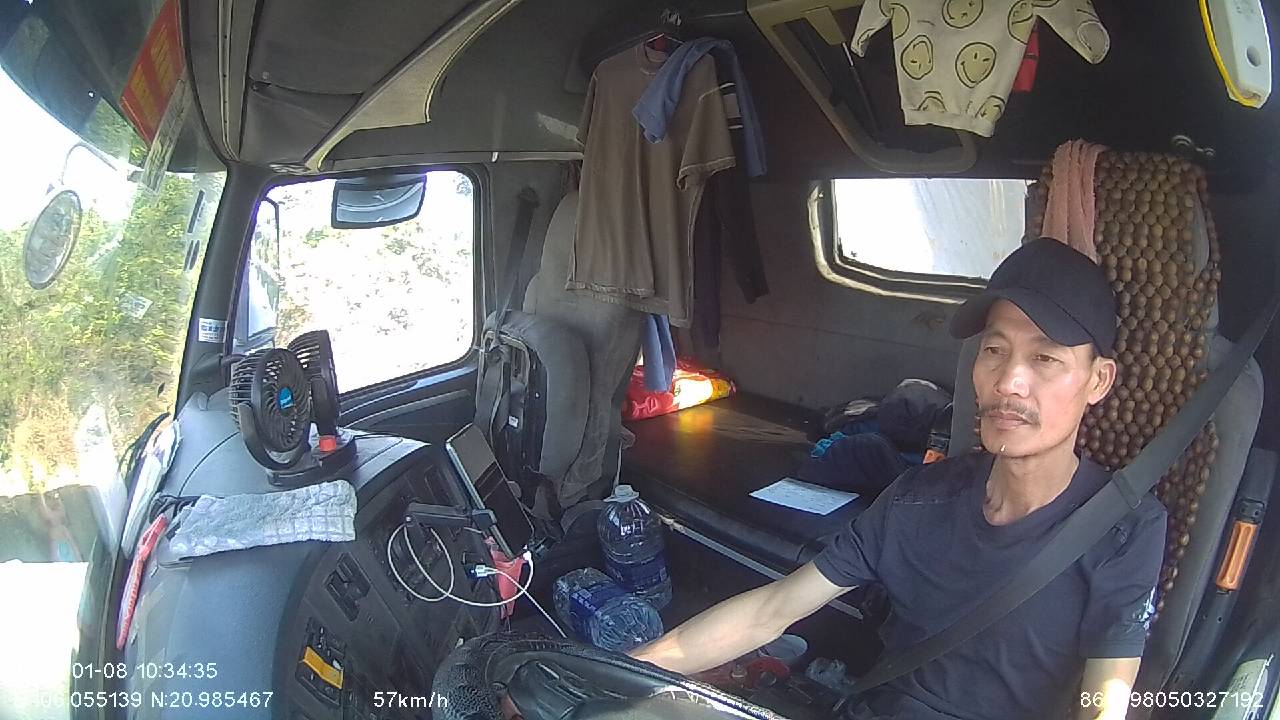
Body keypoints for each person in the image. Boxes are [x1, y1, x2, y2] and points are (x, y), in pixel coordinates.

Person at [627, 238, 1167, 719]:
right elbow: (770, 612)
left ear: (1098, 381)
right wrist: (623, 674)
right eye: (994, 350)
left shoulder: (1123, 529)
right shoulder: (918, 499)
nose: (1010, 382)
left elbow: (1107, 700)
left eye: (1045, 358)